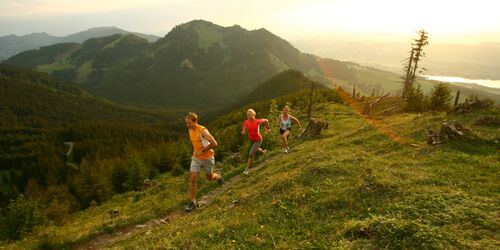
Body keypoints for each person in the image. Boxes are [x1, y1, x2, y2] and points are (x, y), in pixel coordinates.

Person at [184, 112, 224, 212]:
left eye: (189, 123)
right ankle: (192, 202)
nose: (187, 125)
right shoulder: (190, 129)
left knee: (210, 177)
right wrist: (197, 153)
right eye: (186, 123)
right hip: (196, 158)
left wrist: (202, 150)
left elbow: (214, 143)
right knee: (192, 178)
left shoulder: (202, 131)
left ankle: (218, 177)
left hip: (207, 158)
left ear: (195, 121)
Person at [242, 109, 270, 175]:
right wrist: (243, 130)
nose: (249, 117)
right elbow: (244, 126)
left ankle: (248, 169)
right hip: (251, 140)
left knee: (251, 154)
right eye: (247, 115)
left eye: (250, 115)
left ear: (254, 115)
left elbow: (266, 120)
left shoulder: (257, 121)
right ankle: (264, 152)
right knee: (256, 149)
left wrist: (267, 128)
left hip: (258, 140)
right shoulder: (246, 122)